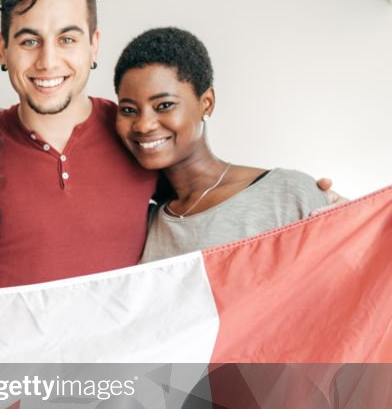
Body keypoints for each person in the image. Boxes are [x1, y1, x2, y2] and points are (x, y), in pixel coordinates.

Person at [113, 27, 327, 262]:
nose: (143, 125)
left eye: (164, 105)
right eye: (129, 110)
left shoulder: (286, 193)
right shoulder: (145, 224)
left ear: (206, 103)